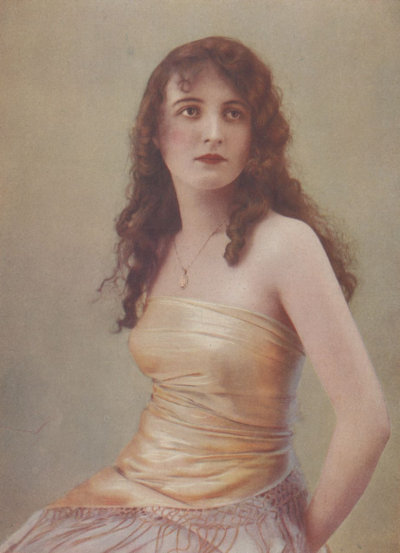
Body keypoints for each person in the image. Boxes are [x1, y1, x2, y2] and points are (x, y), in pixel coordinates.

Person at [0, 36, 390, 553]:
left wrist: (304, 542)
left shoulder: (286, 244)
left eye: (234, 113)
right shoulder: (160, 245)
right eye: (190, 110)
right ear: (156, 135)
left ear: (255, 136)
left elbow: (368, 421)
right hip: (132, 499)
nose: (213, 133)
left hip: (241, 520)